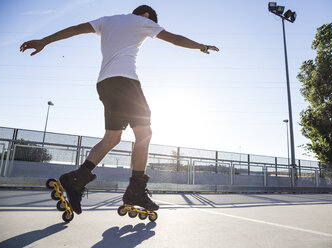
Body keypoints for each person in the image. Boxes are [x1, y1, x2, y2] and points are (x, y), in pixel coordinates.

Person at [20, 5, 219, 215]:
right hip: (126, 81)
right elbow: (175, 38)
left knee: (113, 137)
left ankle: (76, 179)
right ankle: (136, 191)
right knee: (144, 133)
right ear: (146, 15)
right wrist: (202, 47)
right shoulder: (143, 21)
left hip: (105, 84)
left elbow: (76, 28)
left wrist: (44, 41)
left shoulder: (106, 20)